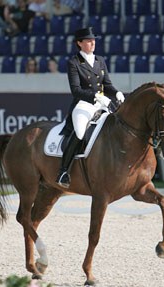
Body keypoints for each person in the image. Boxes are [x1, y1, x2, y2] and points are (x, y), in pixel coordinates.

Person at [56, 27, 125, 188]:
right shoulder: (74, 63)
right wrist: (95, 97)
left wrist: (117, 93)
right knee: (80, 133)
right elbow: (76, 90)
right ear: (79, 43)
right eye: (88, 40)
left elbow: (107, 85)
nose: (92, 42)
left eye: (93, 40)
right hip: (83, 104)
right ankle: (63, 171)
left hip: (102, 104)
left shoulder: (100, 60)